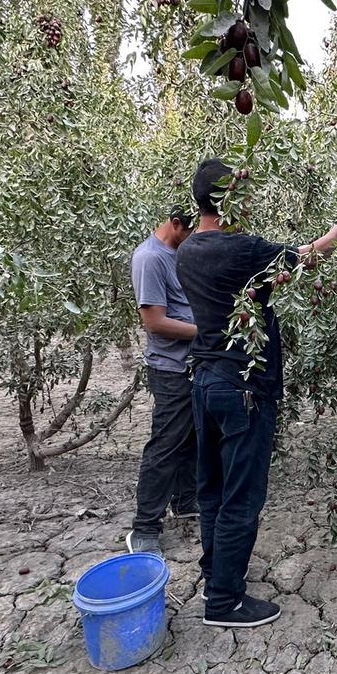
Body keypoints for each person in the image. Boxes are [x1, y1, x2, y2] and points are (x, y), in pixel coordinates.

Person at [177, 158, 337, 628]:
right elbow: (307, 255)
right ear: (232, 198)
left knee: (211, 489)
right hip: (243, 388)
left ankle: (216, 574)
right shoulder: (242, 248)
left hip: (205, 382)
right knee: (241, 497)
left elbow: (244, 291)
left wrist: (267, 284)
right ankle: (225, 602)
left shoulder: (188, 251)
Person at [127, 206, 199, 556]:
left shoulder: (176, 254)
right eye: (189, 232)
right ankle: (144, 528)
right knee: (166, 444)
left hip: (190, 365)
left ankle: (186, 501)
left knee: (191, 437)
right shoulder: (150, 259)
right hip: (170, 369)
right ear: (174, 225)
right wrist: (208, 333)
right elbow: (154, 322)